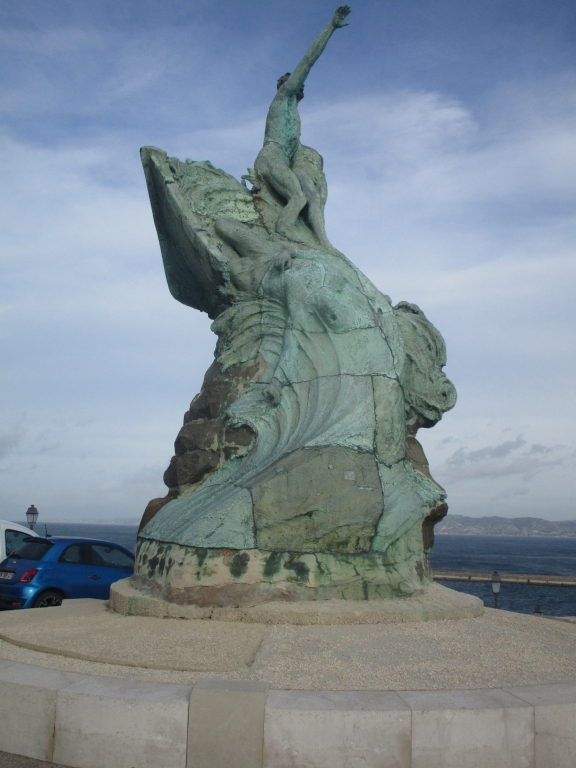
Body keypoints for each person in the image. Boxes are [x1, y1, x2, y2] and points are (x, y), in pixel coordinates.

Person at [253, 5, 350, 244]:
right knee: (298, 197)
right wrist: (331, 27)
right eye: (295, 82)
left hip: (281, 159)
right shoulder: (284, 96)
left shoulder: (294, 117)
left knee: (306, 195)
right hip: (271, 157)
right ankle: (280, 237)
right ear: (284, 85)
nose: (301, 85)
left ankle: (317, 239)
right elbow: (308, 61)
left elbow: (300, 154)